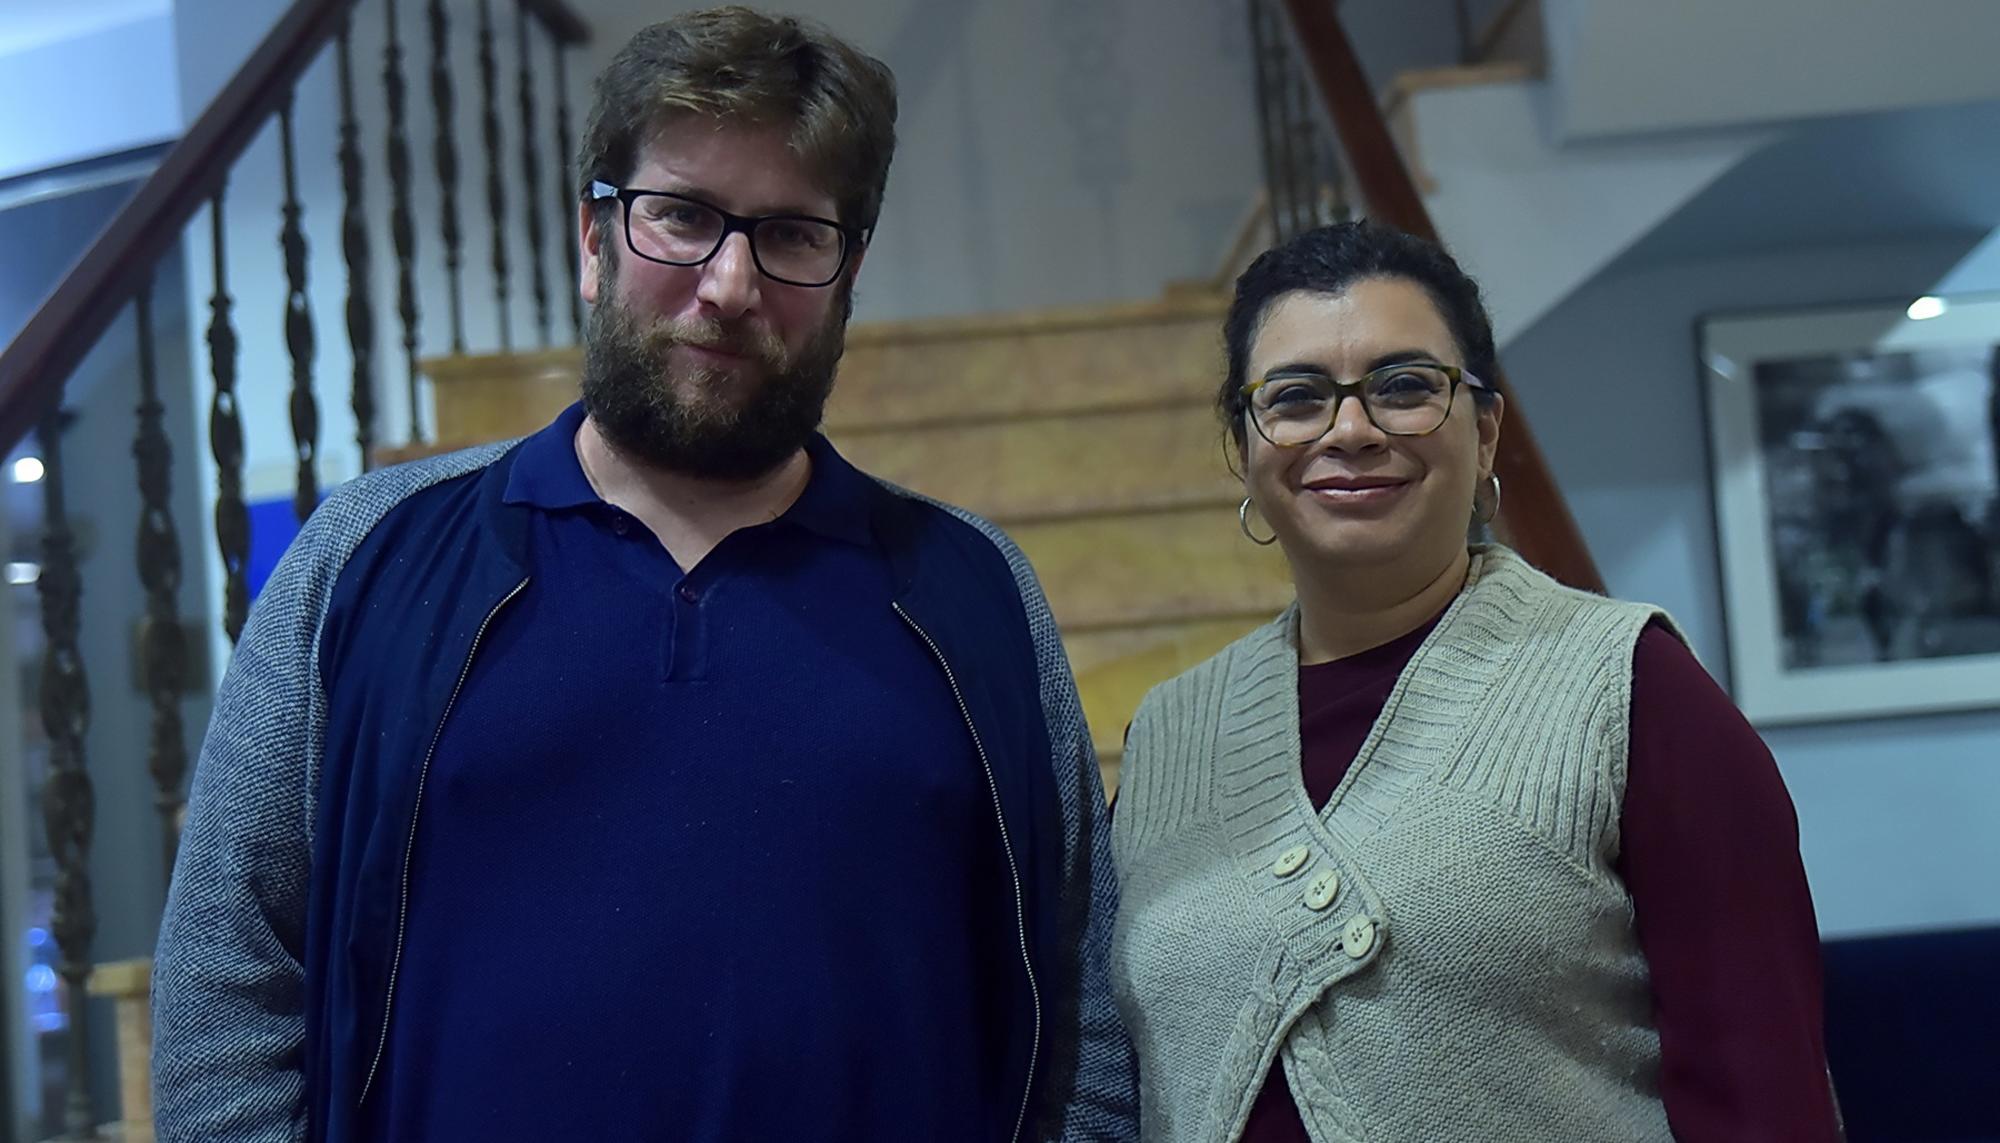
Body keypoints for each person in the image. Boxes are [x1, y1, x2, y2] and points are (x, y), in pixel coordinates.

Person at [151, 9, 1136, 1141]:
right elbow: (231, 973)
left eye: (792, 235)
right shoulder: (369, 559)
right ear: (593, 239)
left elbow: (1084, 1019)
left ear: (847, 271)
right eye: (681, 216)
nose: (728, 284)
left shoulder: (972, 594)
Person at [1107, 221, 1841, 1141]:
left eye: (1405, 387)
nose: (1350, 429)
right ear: (1244, 448)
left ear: (1486, 431)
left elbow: (1765, 1095)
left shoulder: (1631, 689)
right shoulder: (1170, 736)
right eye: (1295, 398)